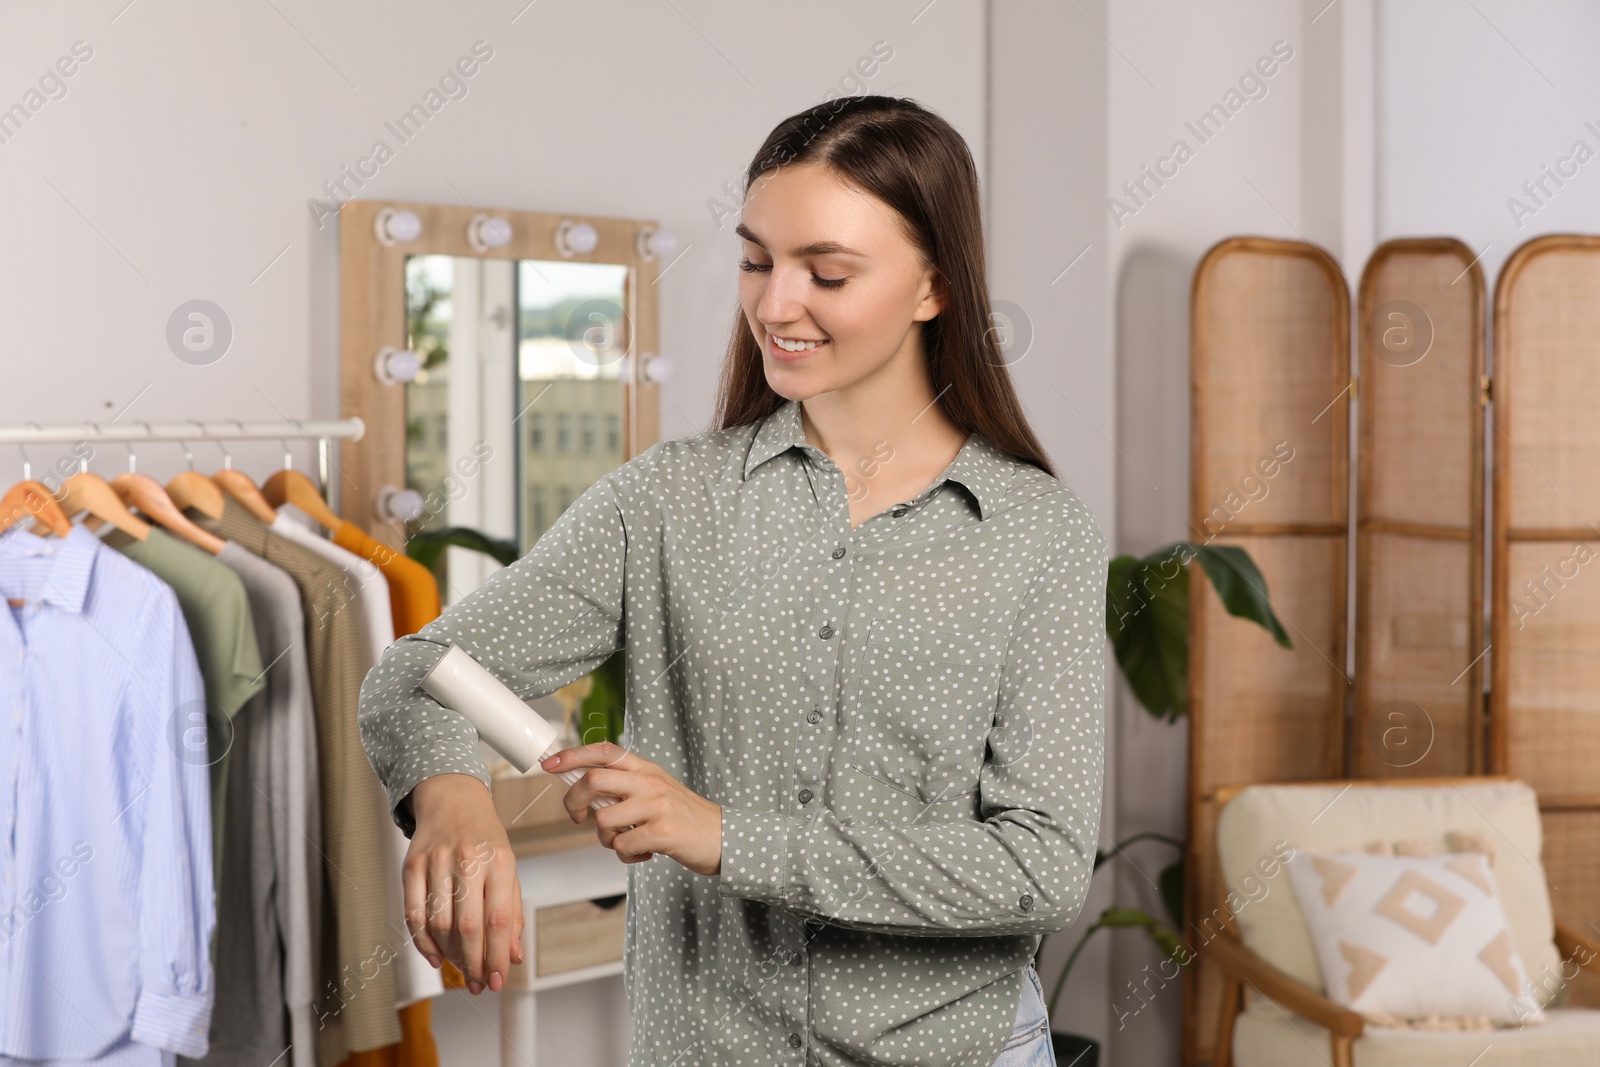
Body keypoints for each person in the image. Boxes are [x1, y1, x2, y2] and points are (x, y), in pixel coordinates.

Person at [358, 93, 1108, 1067]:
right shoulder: (665, 501)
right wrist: (454, 801)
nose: (773, 303)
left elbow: (1039, 870)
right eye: (757, 259)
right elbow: (423, 667)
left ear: (933, 286)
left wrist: (724, 835)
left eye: (825, 272)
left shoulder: (1033, 530)